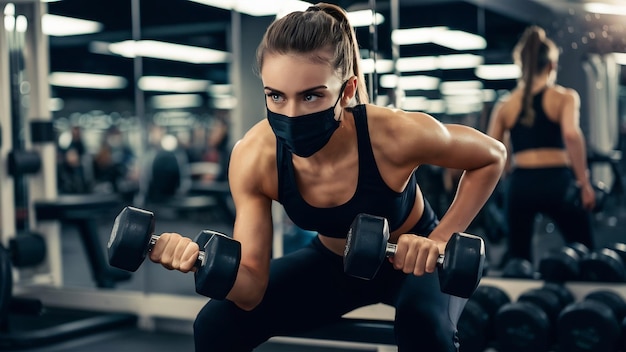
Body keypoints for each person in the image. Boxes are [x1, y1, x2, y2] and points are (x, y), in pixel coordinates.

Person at [149, 3, 506, 351]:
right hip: (333, 264)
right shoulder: (255, 156)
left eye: (311, 96)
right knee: (216, 323)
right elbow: (251, 288)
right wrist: (196, 260)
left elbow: (491, 156)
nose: (291, 113)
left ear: (346, 91)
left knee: (424, 325)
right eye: (275, 96)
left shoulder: (393, 133)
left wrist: (441, 239)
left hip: (415, 261)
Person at [487, 25, 596, 265]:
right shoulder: (564, 97)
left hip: (521, 184)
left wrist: (506, 179)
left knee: (518, 260)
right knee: (586, 252)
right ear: (551, 65)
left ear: (522, 65)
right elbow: (571, 135)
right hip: (558, 181)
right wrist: (584, 182)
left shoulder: (505, 105)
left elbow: (493, 150)